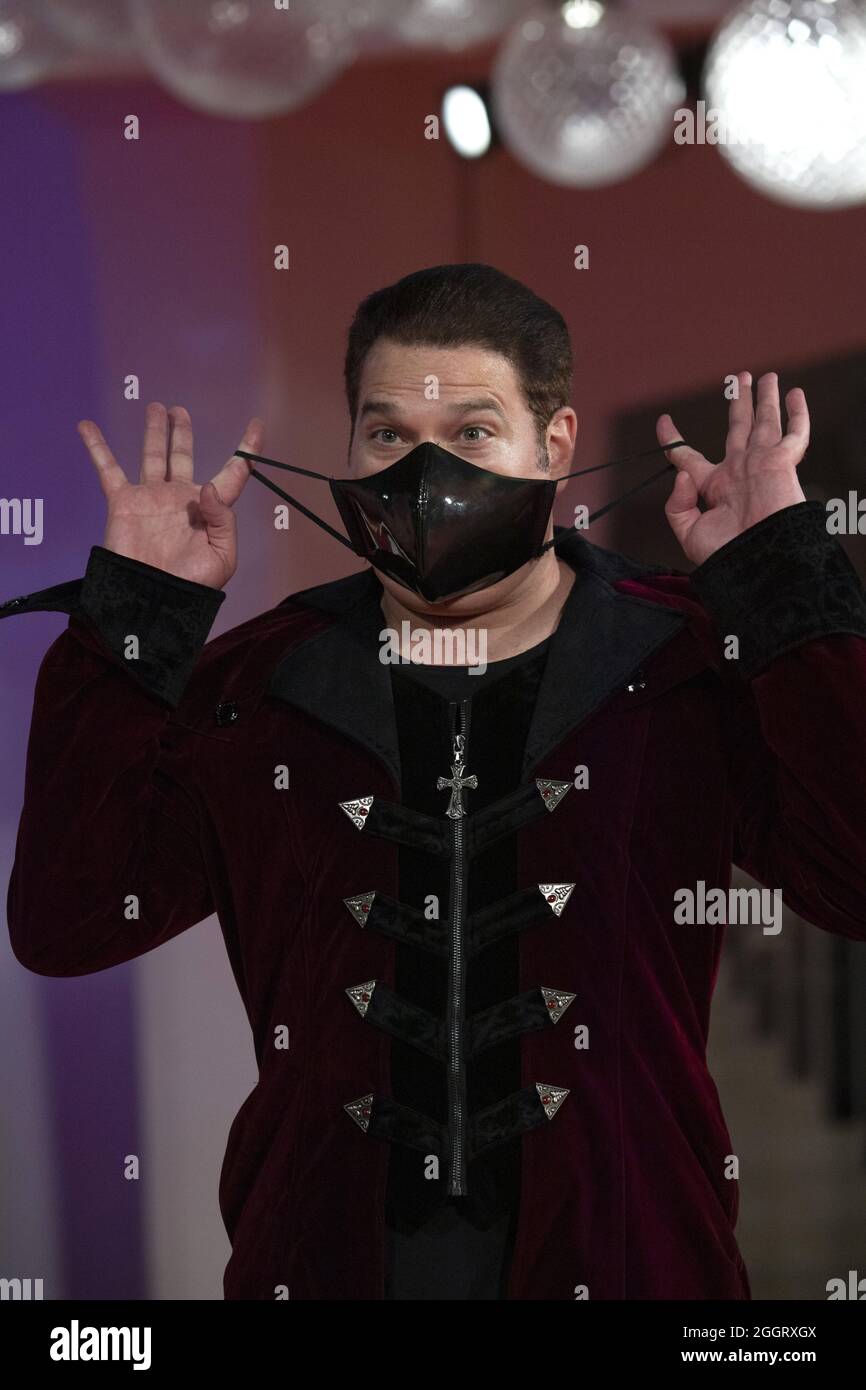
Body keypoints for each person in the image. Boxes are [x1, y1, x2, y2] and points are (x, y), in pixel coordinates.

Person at [4, 263, 866, 1300]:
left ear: (552, 446)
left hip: (630, 1262)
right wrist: (133, 621)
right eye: (385, 436)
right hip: (319, 1264)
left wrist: (777, 590)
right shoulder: (258, 684)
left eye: (468, 432)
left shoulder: (683, 662)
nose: (422, 471)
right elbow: (71, 922)